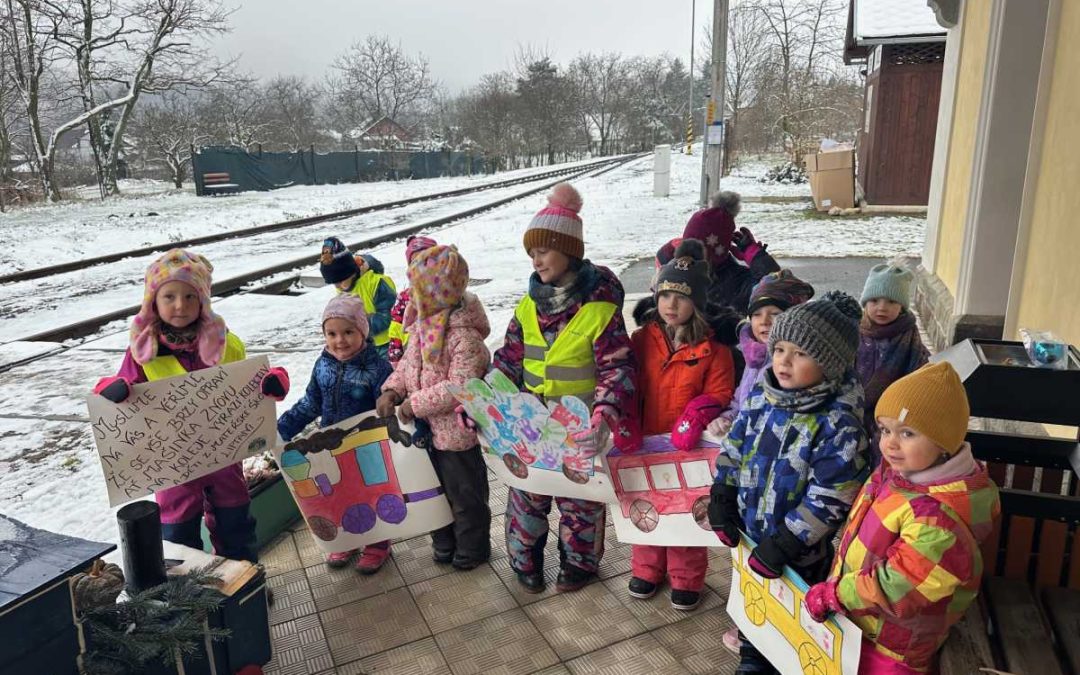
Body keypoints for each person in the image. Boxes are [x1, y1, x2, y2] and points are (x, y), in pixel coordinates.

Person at [708, 290, 869, 674]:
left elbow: (831, 496)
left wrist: (787, 542)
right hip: (751, 539)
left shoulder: (839, 423)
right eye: (780, 349)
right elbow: (735, 447)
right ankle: (750, 654)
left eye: (800, 354)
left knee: (790, 627)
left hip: (800, 555)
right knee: (755, 611)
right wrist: (722, 492)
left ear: (829, 364)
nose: (784, 361)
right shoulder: (763, 397)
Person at [92, 249, 289, 563]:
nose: (180, 305)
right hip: (173, 466)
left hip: (224, 458)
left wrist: (274, 381)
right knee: (178, 539)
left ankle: (245, 587)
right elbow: (120, 389)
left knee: (236, 526)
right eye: (169, 296)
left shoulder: (226, 342)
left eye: (189, 296)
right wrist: (110, 390)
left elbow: (252, 383)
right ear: (152, 302)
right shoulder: (143, 353)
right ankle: (193, 602)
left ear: (204, 301)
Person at [804, 362, 1000, 674]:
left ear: (944, 442)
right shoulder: (901, 472)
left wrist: (836, 594)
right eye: (884, 429)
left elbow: (900, 585)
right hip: (866, 621)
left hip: (894, 645)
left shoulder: (938, 519)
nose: (890, 443)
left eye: (907, 433)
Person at [493, 182, 639, 594]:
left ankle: (579, 563)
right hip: (530, 426)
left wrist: (603, 414)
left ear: (568, 252)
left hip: (579, 427)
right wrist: (488, 397)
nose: (535, 260)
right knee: (526, 494)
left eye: (543, 250)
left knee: (580, 503)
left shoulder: (599, 309)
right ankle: (525, 560)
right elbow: (509, 357)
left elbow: (618, 367)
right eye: (531, 253)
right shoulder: (527, 305)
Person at [628, 239, 735, 610]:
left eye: (682, 297)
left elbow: (720, 390)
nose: (671, 305)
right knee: (645, 505)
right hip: (646, 443)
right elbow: (627, 381)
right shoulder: (641, 341)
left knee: (687, 508)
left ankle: (687, 577)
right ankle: (646, 568)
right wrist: (625, 420)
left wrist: (697, 414)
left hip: (688, 448)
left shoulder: (715, 351)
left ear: (698, 303)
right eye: (665, 295)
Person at [376, 244, 493, 570]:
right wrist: (392, 390)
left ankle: (472, 547)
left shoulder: (464, 337)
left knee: (464, 496)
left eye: (418, 289)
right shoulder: (421, 327)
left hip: (455, 436)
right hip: (423, 435)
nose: (411, 296)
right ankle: (444, 542)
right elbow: (406, 366)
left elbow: (459, 387)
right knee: (429, 491)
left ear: (441, 292)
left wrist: (415, 404)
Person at [277, 295, 393, 573]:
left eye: (348, 332)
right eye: (332, 333)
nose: (340, 340)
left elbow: (388, 406)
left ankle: (378, 543)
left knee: (372, 493)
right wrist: (282, 428)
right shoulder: (323, 365)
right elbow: (310, 403)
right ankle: (348, 538)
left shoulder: (378, 367)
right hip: (330, 445)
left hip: (367, 445)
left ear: (363, 332)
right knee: (338, 494)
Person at [710, 269, 815, 437]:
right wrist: (726, 419)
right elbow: (739, 404)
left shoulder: (801, 364)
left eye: (775, 314)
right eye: (757, 314)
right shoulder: (753, 356)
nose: (764, 321)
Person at [855, 263, 930, 454]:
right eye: (874, 301)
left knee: (886, 448)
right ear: (865, 303)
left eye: (891, 302)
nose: (882, 308)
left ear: (901, 306)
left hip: (894, 410)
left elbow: (918, 373)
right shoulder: (855, 331)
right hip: (855, 404)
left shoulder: (908, 334)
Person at [676, 191, 781, 311]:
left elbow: (776, 284)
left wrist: (754, 255)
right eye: (687, 245)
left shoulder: (735, 282)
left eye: (697, 247)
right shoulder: (676, 272)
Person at [319, 236, 397, 359]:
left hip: (386, 344)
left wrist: (357, 327)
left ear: (351, 272)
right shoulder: (342, 288)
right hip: (361, 345)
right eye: (335, 283)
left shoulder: (377, 284)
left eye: (341, 281)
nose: (339, 286)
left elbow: (388, 316)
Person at [387, 235, 438, 367]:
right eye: (416, 262)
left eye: (427, 261)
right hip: (410, 356)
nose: (422, 267)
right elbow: (395, 329)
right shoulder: (404, 298)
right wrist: (395, 357)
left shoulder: (445, 294)